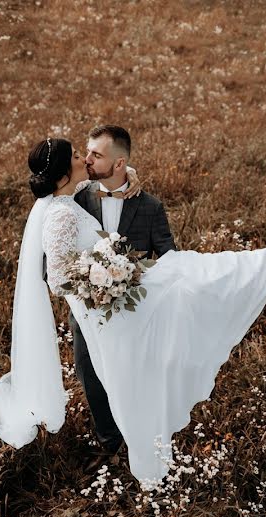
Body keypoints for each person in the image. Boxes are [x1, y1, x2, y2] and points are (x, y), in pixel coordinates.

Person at [0, 136, 266, 490]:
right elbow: (58, 279)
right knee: (181, 289)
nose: (84, 160)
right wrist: (102, 280)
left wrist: (126, 174)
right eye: (77, 155)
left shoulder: (67, 196)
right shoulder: (59, 215)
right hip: (107, 306)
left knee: (187, 272)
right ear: (62, 172)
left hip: (121, 288)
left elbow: (105, 178)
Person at [72, 125, 177, 462]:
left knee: (136, 376)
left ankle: (143, 434)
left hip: (135, 313)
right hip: (87, 311)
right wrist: (83, 285)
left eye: (96, 154)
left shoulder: (150, 207)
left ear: (119, 165)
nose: (87, 159)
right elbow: (52, 257)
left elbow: (169, 258)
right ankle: (109, 442)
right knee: (90, 374)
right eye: (87, 152)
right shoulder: (76, 198)